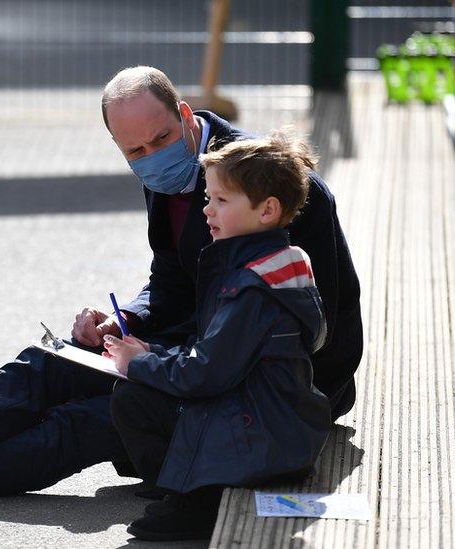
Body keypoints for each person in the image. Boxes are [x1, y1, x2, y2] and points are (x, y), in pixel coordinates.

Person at [0, 65, 361, 510]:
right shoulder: (179, 179)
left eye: (159, 141)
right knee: (44, 367)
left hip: (259, 396)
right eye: (133, 152)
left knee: (78, 421)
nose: (151, 159)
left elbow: (314, 341)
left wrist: (154, 365)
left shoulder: (280, 191)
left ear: (186, 117)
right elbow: (174, 283)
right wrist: (125, 325)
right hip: (206, 362)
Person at [104, 135, 331, 541]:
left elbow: (205, 373)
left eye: (222, 201)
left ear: (268, 210)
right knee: (145, 386)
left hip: (263, 436)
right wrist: (150, 351)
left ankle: (195, 501)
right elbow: (218, 354)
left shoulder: (252, 287)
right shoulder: (273, 263)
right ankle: (185, 483)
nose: (207, 210)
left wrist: (137, 363)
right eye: (208, 198)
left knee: (134, 399)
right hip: (282, 424)